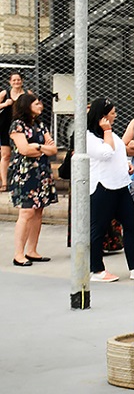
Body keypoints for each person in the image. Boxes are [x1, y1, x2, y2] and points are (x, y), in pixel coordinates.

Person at [86, 97, 134, 282]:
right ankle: (96, 270)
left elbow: (118, 152)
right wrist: (106, 130)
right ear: (102, 117)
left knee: (132, 225)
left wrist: (126, 165)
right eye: (112, 113)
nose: (115, 116)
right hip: (103, 187)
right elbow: (106, 153)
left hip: (121, 186)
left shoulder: (112, 135)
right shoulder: (89, 137)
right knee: (98, 229)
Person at [8, 93, 56, 266]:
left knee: (38, 211)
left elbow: (53, 149)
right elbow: (24, 150)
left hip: (41, 172)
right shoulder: (17, 126)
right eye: (36, 103)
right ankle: (18, 253)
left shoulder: (40, 125)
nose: (40, 106)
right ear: (27, 106)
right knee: (26, 211)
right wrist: (41, 148)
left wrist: (37, 147)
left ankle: (32, 250)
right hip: (25, 173)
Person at [0, 71, 18, 191]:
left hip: (20, 128)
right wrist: (5, 104)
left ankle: (17, 181)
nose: (17, 82)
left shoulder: (26, 94)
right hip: (5, 127)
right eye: (14, 80)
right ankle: (4, 182)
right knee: (6, 155)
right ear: (10, 82)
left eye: (19, 80)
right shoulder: (4, 93)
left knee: (20, 154)